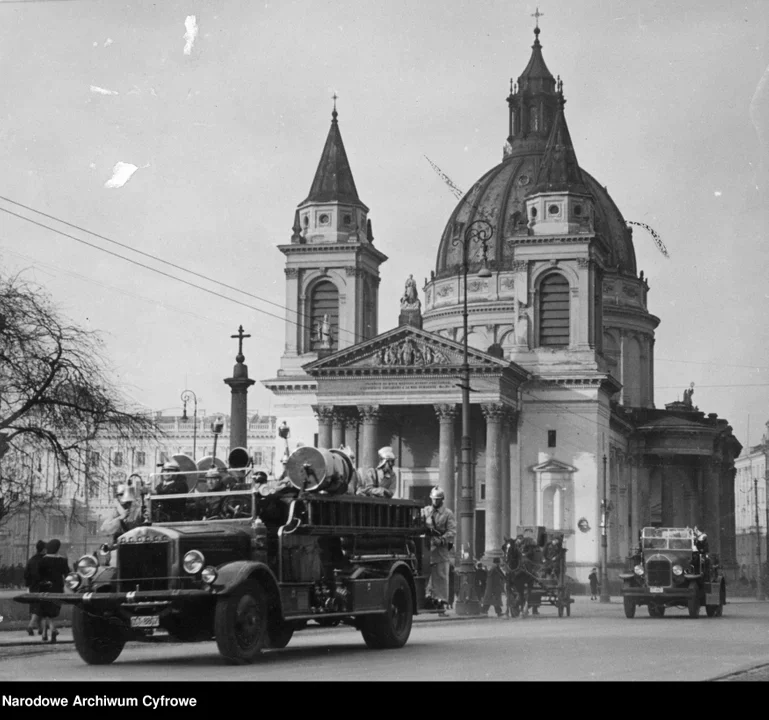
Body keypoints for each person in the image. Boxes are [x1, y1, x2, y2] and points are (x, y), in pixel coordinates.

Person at [421, 486, 456, 612]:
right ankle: (427, 598)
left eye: (438, 499)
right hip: (426, 548)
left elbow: (452, 532)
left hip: (441, 550)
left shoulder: (448, 514)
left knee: (440, 576)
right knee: (425, 575)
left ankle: (440, 601)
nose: (435, 502)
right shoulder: (425, 511)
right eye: (433, 499)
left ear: (442, 499)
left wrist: (441, 539)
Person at [37, 539, 70, 643]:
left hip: (45, 587)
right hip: (58, 588)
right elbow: (67, 575)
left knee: (45, 612)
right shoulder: (63, 560)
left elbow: (39, 575)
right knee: (52, 611)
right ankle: (47, 632)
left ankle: (50, 630)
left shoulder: (43, 560)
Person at [24, 540, 47, 636]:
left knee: (35, 606)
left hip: (33, 586)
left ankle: (40, 628)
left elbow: (26, 574)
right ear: (43, 549)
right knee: (40, 607)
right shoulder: (45, 560)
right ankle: (30, 625)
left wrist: (29, 584)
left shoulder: (31, 560)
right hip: (43, 586)